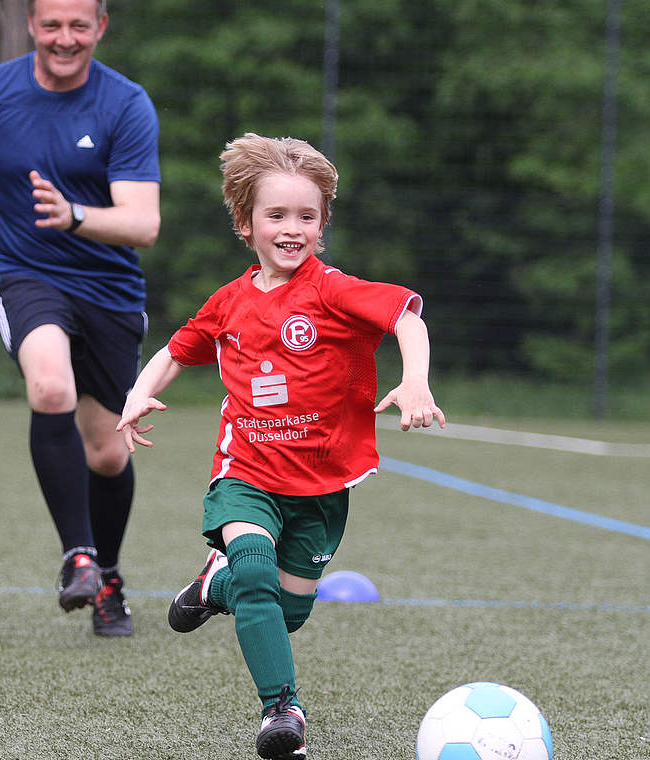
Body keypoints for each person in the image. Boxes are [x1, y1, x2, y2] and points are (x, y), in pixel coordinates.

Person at [116, 133, 445, 759]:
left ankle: (214, 587)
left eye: (307, 216)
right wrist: (137, 393)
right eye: (277, 215)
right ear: (246, 223)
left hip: (323, 484)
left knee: (285, 613)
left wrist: (415, 380)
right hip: (246, 472)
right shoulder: (229, 302)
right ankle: (282, 710)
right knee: (255, 567)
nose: (292, 229)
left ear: (322, 224)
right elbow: (176, 351)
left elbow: (407, 317)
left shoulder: (333, 290)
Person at [0, 0, 160, 636]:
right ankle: (78, 556)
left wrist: (74, 215)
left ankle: (107, 578)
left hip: (109, 289)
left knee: (108, 452)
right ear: (30, 25)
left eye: (79, 25)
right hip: (24, 275)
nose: (64, 38)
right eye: (51, 25)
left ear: (100, 26)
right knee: (50, 385)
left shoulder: (126, 104)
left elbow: (143, 223)